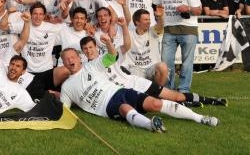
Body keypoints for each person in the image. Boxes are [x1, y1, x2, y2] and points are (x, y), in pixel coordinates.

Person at [60, 48, 219, 133]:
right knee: (123, 108)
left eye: (72, 56)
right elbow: (64, 110)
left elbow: (111, 57)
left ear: (79, 58)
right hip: (105, 107)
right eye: (66, 59)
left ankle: (200, 118)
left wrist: (108, 42)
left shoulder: (91, 66)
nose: (70, 60)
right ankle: (151, 125)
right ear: (64, 63)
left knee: (155, 104)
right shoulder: (66, 86)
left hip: (120, 91)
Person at [80, 36, 227, 108]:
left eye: (91, 47)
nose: (89, 51)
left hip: (136, 82)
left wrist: (108, 43)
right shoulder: (87, 69)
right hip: (124, 92)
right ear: (82, 51)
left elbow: (113, 53)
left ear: (96, 48)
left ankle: (210, 100)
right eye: (85, 49)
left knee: (174, 95)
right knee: (157, 104)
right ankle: (186, 104)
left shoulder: (105, 57)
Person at [158, 0, 202, 93]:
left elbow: (199, 10)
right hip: (169, 29)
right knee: (166, 62)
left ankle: (183, 89)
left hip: (188, 29)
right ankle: (168, 89)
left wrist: (187, 8)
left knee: (187, 62)